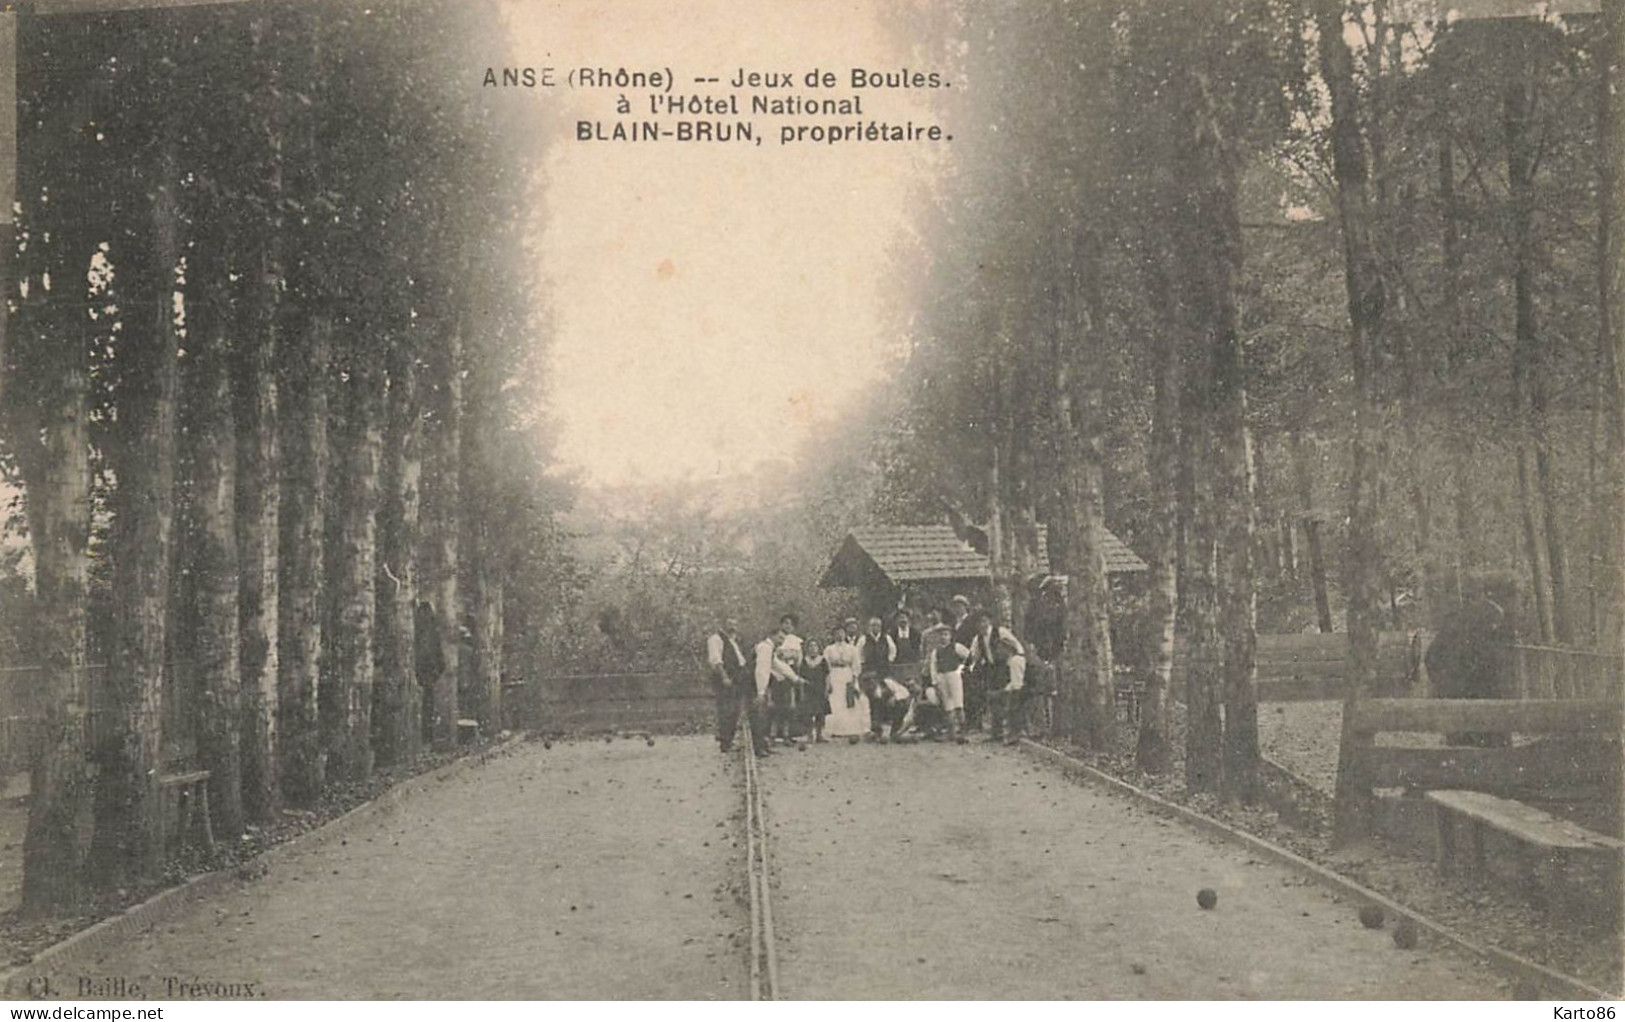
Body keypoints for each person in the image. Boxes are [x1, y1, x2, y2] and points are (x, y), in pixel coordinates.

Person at [1424, 577, 1518, 747]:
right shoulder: (1496, 619)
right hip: (1490, 707)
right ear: (1506, 597)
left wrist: (1446, 687)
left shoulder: (1458, 617)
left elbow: (1431, 656)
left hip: (1459, 705)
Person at [706, 617, 753, 754]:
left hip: (737, 679)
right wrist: (724, 677)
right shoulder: (716, 639)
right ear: (723, 625)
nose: (733, 627)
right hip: (725, 679)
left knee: (735, 710)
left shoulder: (733, 641)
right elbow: (716, 661)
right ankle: (725, 743)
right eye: (730, 624)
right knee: (726, 710)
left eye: (735, 624)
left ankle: (729, 740)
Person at [926, 619, 971, 743]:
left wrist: (962, 668)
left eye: (946, 635)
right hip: (942, 677)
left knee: (958, 704)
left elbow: (969, 656)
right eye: (941, 635)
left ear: (950, 636)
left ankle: (963, 732)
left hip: (954, 676)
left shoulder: (956, 647)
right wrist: (935, 682)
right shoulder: (936, 652)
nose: (943, 637)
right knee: (947, 705)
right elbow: (933, 667)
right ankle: (951, 733)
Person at [823, 622, 868, 738]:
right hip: (834, 675)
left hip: (847, 674)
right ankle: (836, 730)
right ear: (833, 635)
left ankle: (850, 729)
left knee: (848, 700)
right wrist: (828, 678)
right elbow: (825, 664)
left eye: (842, 633)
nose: (840, 635)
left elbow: (856, 665)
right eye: (837, 633)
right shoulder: (829, 649)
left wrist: (854, 677)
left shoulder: (852, 648)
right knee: (836, 701)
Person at [856, 616, 898, 740]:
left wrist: (888, 661)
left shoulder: (886, 638)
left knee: (884, 695)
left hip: (883, 671)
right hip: (869, 672)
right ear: (869, 627)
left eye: (878, 625)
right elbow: (858, 653)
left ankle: (881, 725)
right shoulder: (864, 639)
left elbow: (893, 651)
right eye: (873, 625)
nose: (875, 628)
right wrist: (863, 665)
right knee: (873, 697)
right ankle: (874, 726)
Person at [950, 595, 987, 731]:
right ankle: (965, 721)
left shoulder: (970, 622)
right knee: (962, 691)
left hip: (970, 658)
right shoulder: (954, 623)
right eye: (955, 607)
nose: (957, 609)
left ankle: (975, 722)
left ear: (966, 607)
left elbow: (976, 640)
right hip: (958, 661)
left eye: (960, 606)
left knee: (973, 690)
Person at [988, 627, 1029, 745]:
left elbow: (1017, 685)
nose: (998, 652)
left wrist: (1001, 692)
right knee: (1005, 697)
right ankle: (1004, 730)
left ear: (1008, 650)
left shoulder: (1016, 661)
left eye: (1000, 649)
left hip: (1030, 686)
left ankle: (1016, 732)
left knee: (1014, 699)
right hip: (1023, 686)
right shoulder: (1010, 662)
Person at [801, 637, 831, 743]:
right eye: (810, 646)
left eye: (815, 646)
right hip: (808, 689)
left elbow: (827, 675)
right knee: (808, 713)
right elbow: (801, 676)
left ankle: (819, 734)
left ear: (819, 648)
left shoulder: (822, 660)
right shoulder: (804, 661)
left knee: (821, 712)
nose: (813, 649)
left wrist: (827, 689)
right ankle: (809, 735)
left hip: (820, 689)